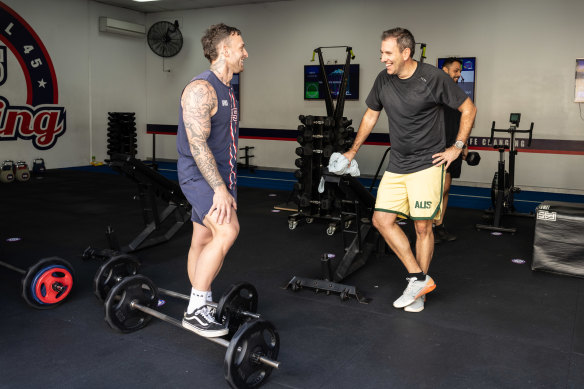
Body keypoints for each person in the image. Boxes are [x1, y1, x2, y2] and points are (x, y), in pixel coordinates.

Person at [343, 28, 476, 313]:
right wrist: (353, 150)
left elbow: (469, 108)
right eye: (381, 52)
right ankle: (418, 278)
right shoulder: (383, 80)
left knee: (422, 226)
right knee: (381, 220)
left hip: (428, 164)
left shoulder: (433, 78)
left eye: (387, 53)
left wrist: (457, 146)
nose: (382, 59)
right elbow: (370, 114)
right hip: (398, 164)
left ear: (406, 53)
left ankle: (419, 294)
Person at [176, 23, 248, 337]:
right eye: (241, 47)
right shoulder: (200, 89)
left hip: (222, 177)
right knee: (228, 230)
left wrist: (227, 183)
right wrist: (219, 188)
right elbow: (197, 144)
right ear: (224, 50)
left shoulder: (228, 89)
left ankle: (200, 302)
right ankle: (196, 309)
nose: (246, 53)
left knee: (202, 240)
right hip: (201, 176)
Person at [434, 57, 469, 243]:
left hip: (454, 148)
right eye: (455, 70)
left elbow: (463, 120)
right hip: (438, 149)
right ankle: (430, 226)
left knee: (446, 189)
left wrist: (464, 144)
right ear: (445, 70)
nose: (458, 74)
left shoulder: (456, 94)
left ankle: (439, 225)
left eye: (459, 71)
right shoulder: (435, 92)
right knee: (438, 189)